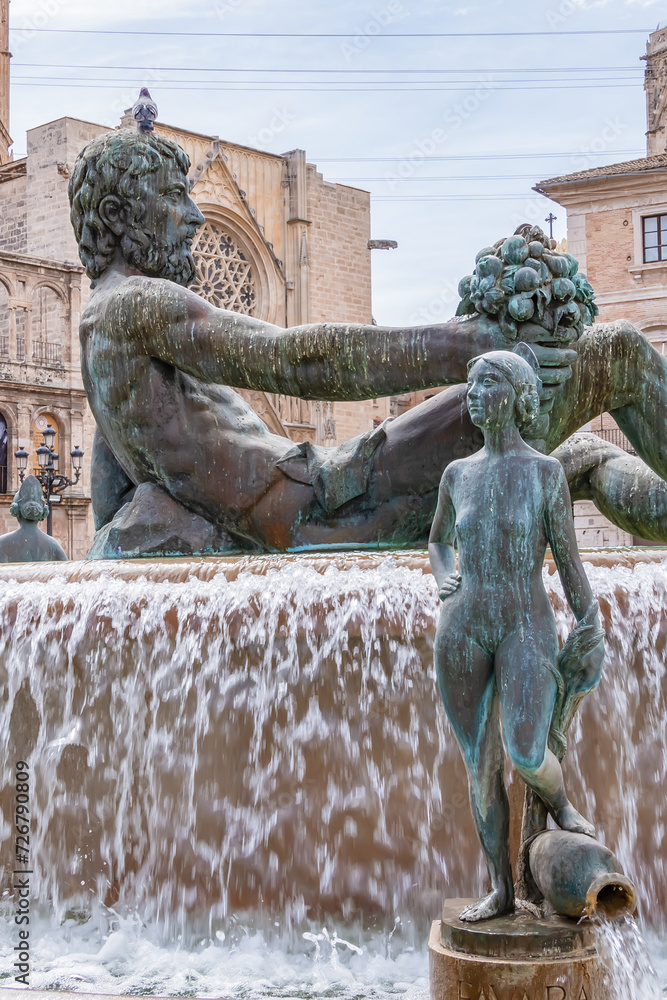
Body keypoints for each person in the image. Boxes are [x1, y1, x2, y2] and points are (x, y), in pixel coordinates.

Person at [68, 126, 667, 553]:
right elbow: (297, 360)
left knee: (586, 460)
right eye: (175, 198)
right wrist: (468, 342)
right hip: (336, 503)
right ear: (120, 215)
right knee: (615, 353)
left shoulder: (101, 331)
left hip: (318, 501)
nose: (195, 218)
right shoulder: (136, 303)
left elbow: (112, 497)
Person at [428, 348, 604, 923]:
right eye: (471, 385)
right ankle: (501, 889)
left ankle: (560, 801)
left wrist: (589, 620)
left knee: (526, 751)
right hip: (462, 626)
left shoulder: (546, 473)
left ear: (518, 395)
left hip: (525, 623)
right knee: (480, 766)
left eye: (488, 382)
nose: (473, 393)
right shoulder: (457, 475)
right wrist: (442, 572)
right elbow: (437, 540)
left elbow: (570, 563)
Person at [0, 477, 68, 563]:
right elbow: (67, 571)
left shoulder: (2, 543)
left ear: (15, 511)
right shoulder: (53, 545)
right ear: (43, 513)